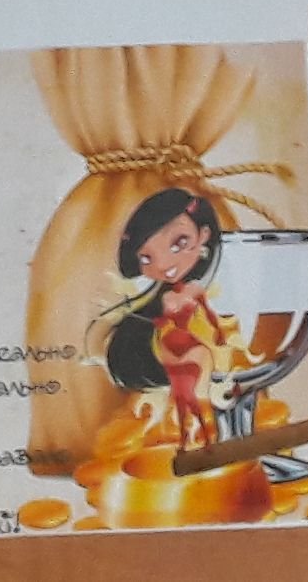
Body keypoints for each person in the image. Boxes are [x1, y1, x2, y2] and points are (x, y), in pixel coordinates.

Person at [98, 186, 236, 448]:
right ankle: (192, 439)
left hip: (198, 355)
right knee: (184, 399)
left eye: (179, 243)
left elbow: (214, 321)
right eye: (146, 258)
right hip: (172, 354)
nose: (163, 265)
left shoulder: (206, 292)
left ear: (204, 235)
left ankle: (205, 436)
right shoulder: (164, 300)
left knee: (197, 386)